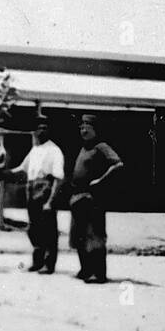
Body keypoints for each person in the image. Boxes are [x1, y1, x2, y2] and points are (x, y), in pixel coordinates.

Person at [0, 118, 65, 273]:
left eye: (45, 128)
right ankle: (37, 262)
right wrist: (4, 173)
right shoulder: (35, 149)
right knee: (34, 228)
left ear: (49, 130)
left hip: (45, 187)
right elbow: (22, 168)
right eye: (38, 128)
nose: (41, 131)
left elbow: (59, 178)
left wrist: (51, 201)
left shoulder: (55, 150)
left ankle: (48, 264)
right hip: (31, 188)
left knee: (48, 229)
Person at [69, 114, 123, 284]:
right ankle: (86, 269)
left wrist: (100, 181)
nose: (83, 130)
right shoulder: (83, 148)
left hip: (93, 199)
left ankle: (98, 273)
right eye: (82, 127)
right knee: (79, 236)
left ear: (95, 130)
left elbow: (118, 164)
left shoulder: (101, 147)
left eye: (87, 127)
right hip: (78, 196)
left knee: (94, 237)